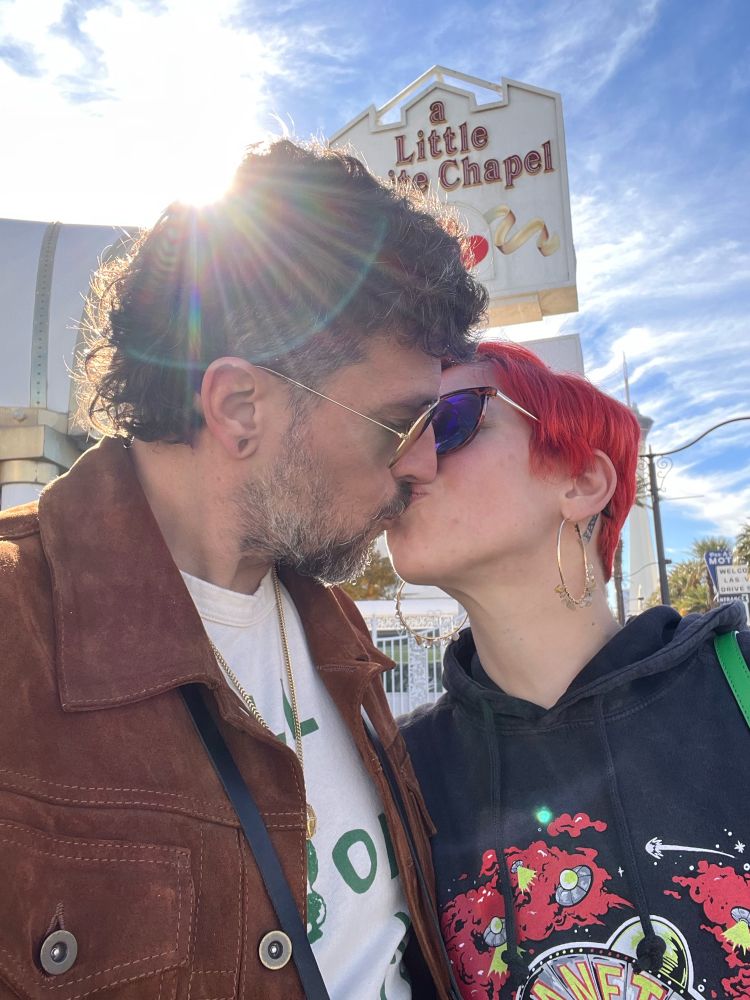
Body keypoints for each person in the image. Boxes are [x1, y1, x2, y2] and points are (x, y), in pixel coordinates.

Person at [0, 140, 487, 1000]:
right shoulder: (16, 633)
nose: (425, 468)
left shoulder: (335, 629)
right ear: (237, 406)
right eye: (404, 424)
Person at [387, 340, 750, 1000]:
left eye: (450, 422)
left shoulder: (740, 685)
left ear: (581, 483)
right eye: (392, 436)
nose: (403, 462)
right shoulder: (400, 772)